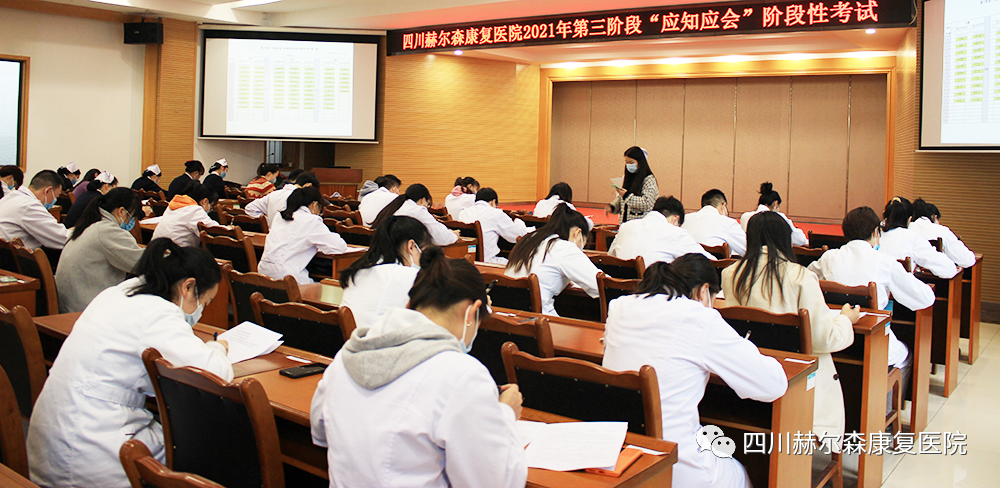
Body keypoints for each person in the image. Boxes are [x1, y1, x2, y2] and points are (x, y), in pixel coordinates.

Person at [311, 246, 527, 488]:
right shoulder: (461, 374)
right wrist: (505, 415)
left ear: (409, 304)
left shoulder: (349, 354)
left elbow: (320, 432)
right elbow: (496, 481)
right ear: (472, 312)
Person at [27, 239, 233, 488]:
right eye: (205, 302)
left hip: (55, 438)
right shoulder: (158, 314)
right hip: (90, 453)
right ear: (188, 287)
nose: (201, 312)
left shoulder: (118, 293)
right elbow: (213, 374)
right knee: (203, 446)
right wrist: (217, 348)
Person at [603, 254, 787, 488]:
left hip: (620, 450)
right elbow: (772, 385)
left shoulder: (620, 305)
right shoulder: (699, 316)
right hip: (675, 461)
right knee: (740, 474)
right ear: (704, 291)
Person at [721, 212, 859, 450]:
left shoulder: (730, 274)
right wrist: (846, 320)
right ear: (784, 239)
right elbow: (824, 338)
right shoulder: (800, 277)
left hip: (753, 369)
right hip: (796, 375)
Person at [808, 206, 935, 403]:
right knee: (905, 356)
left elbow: (807, 279)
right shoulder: (884, 261)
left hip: (833, 340)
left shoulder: (829, 258)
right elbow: (924, 298)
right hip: (872, 344)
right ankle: (887, 412)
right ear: (876, 232)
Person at [55, 188, 145, 313]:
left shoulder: (89, 224)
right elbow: (142, 263)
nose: (132, 222)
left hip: (70, 304)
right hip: (85, 308)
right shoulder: (107, 230)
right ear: (122, 211)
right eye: (132, 217)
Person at [505, 203, 600, 316]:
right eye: (583, 241)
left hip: (507, 312)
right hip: (537, 317)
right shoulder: (565, 248)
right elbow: (598, 285)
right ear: (578, 233)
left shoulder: (530, 239)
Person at [339, 215, 430, 329]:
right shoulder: (410, 276)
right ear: (411, 246)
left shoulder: (358, 271)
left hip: (354, 338)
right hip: (380, 339)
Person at [258, 187, 348, 285]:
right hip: (288, 277)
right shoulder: (311, 220)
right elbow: (339, 247)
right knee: (327, 288)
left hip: (263, 272)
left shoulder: (279, 216)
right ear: (315, 205)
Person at [609, 196, 715, 265]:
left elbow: (610, 257)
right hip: (654, 290)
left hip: (618, 290)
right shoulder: (675, 233)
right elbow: (709, 261)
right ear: (675, 219)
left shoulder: (625, 227)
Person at [878, 197, 959, 279]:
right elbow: (949, 270)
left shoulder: (874, 235)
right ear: (910, 219)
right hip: (899, 284)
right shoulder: (912, 238)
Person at [457, 188, 532, 264]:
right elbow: (518, 234)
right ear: (493, 202)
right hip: (487, 262)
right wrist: (518, 221)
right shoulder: (495, 213)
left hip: (466, 260)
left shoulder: (463, 213)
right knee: (519, 264)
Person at [0, 170, 71, 249]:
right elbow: (63, 238)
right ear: (47, 191)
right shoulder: (30, 206)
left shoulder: (11, 197)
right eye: (56, 197)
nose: (54, 201)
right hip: (12, 255)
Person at [372, 183, 458, 246]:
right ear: (422, 200)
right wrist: (454, 235)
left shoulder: (395, 206)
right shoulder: (417, 210)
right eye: (427, 204)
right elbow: (441, 237)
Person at [908, 198, 976, 268]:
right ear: (934, 217)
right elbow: (966, 260)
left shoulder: (906, 230)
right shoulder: (942, 231)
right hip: (936, 273)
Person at [151, 182, 220, 248]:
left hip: (155, 250)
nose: (210, 210)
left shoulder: (175, 205)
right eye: (211, 206)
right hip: (174, 252)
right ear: (205, 201)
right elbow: (215, 229)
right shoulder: (194, 210)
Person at [682, 189, 748, 257]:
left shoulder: (684, 219)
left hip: (681, 262)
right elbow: (748, 249)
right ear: (723, 206)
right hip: (710, 263)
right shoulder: (727, 222)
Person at [739, 182, 808, 246]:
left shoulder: (745, 216)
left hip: (750, 253)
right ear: (775, 203)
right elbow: (800, 240)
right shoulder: (779, 217)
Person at [245, 171, 320, 227]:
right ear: (308, 186)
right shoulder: (303, 199)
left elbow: (250, 208)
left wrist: (268, 221)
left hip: (272, 236)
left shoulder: (274, 194)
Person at [608, 146, 658, 223]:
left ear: (640, 162)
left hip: (640, 224)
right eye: (626, 162)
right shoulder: (629, 177)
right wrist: (613, 207)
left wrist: (627, 195)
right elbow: (623, 198)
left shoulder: (649, 180)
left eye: (631, 163)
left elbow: (646, 203)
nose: (628, 165)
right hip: (625, 223)